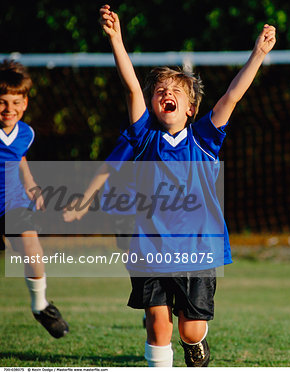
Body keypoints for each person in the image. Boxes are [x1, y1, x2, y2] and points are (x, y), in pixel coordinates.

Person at [99, 4, 276, 367]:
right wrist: (117, 39)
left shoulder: (203, 140)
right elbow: (131, 86)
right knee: (156, 324)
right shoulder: (144, 137)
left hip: (196, 249)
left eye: (176, 90)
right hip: (149, 246)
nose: (167, 92)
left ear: (191, 109)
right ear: (153, 104)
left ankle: (196, 342)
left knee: (190, 330)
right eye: (160, 89)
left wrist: (258, 53)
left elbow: (231, 96)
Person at [0, 59, 69, 338]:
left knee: (32, 249)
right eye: (2, 102)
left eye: (16, 102)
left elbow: (20, 160)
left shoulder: (25, 133)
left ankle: (41, 306)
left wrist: (32, 186)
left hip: (14, 204)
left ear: (25, 103)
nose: (9, 109)